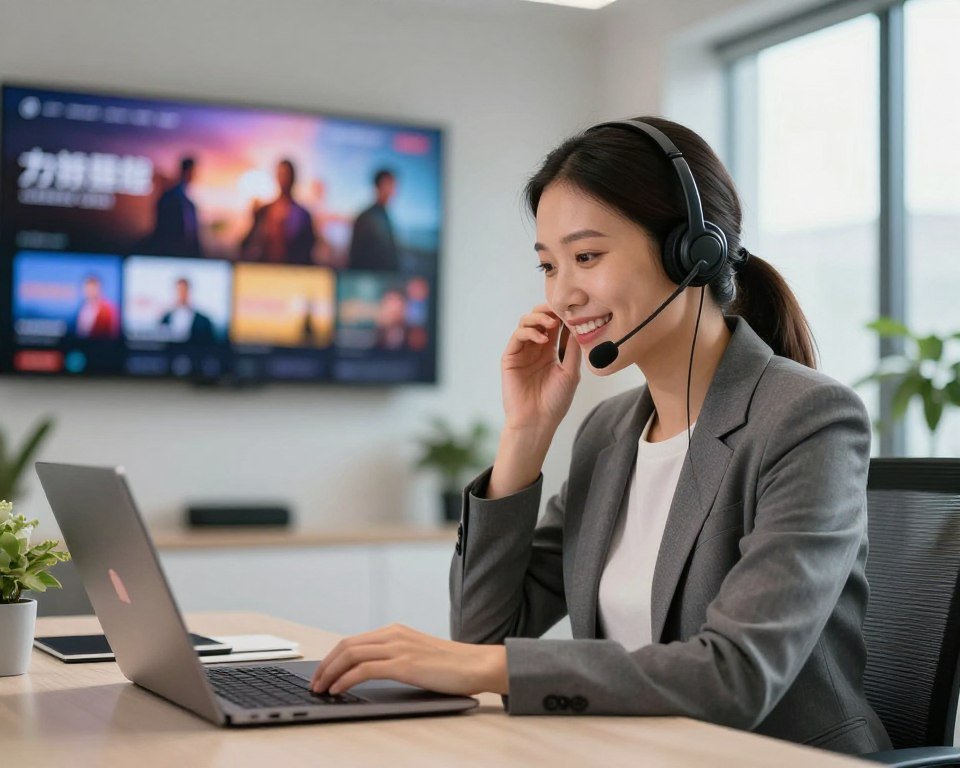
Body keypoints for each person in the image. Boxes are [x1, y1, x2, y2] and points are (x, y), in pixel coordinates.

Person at [305, 117, 892, 755]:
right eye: (548, 267)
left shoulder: (806, 418)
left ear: (692, 252)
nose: (562, 295)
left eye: (586, 257)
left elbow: (738, 675)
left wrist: (487, 671)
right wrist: (526, 433)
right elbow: (481, 632)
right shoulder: (608, 433)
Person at [240, 159, 319, 264]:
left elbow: (309, 251)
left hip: (294, 273)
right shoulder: (264, 211)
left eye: (287, 174)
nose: (284, 179)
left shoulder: (303, 215)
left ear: (293, 178)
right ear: (276, 177)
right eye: (281, 174)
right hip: (264, 272)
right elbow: (245, 245)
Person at [347, 169, 399, 271]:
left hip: (384, 277)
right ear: (379, 186)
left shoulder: (384, 215)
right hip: (370, 279)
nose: (393, 191)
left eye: (394, 186)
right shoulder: (367, 217)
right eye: (390, 186)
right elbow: (356, 256)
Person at [151, 156, 202, 257]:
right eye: (193, 171)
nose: (194, 175)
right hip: (170, 253)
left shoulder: (188, 202)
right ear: (187, 171)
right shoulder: (171, 196)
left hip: (185, 254)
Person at [159, 277, 216, 344]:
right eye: (179, 290)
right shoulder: (165, 318)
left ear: (189, 291)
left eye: (184, 290)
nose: (182, 294)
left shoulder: (203, 321)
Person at [75, 274, 118, 338]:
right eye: (87, 288)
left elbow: (113, 333)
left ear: (98, 289)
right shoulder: (82, 308)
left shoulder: (108, 309)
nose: (89, 292)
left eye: (92, 288)